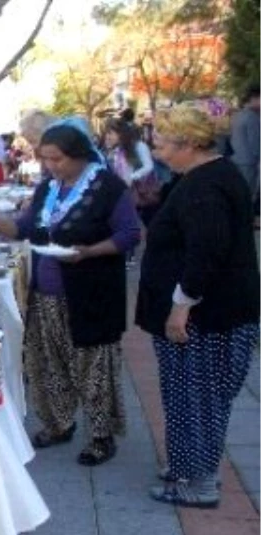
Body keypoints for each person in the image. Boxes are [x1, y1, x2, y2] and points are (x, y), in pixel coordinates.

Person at [0, 122, 141, 466]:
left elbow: (129, 234)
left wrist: (90, 251)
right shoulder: (49, 187)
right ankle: (59, 423)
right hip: (46, 292)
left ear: (79, 156)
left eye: (57, 159)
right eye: (45, 159)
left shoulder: (108, 187)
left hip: (91, 293)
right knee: (49, 363)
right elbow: (24, 227)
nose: (50, 166)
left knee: (93, 366)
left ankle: (100, 435)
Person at [137, 106, 261, 507]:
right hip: (209, 316)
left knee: (199, 399)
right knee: (185, 394)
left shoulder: (206, 186)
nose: (156, 151)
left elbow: (206, 253)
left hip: (207, 319)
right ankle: (184, 466)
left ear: (188, 143)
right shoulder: (206, 176)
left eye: (161, 143)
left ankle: (201, 483)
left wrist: (180, 306)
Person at [103, 118, 159, 216]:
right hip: (126, 195)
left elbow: (149, 166)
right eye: (106, 134)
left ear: (120, 133)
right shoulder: (115, 151)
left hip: (143, 194)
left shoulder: (139, 146)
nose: (107, 137)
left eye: (110, 133)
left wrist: (132, 177)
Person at [229, 85, 261, 203]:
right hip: (249, 162)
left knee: (239, 191)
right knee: (248, 193)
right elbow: (255, 143)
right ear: (254, 98)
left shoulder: (237, 115)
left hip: (236, 158)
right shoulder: (253, 118)